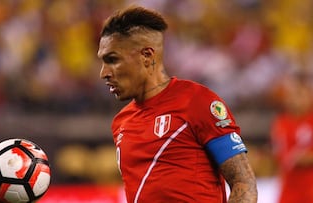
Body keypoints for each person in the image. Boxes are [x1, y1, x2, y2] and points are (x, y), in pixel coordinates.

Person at [97, 6, 258, 203]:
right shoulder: (121, 122)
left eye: (112, 60)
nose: (104, 73)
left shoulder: (197, 101)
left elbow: (244, 183)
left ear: (147, 56)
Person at [270, 72, 313, 203]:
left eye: (300, 95)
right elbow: (283, 156)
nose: (295, 100)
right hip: (291, 187)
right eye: (292, 95)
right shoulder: (282, 123)